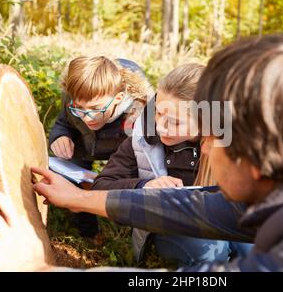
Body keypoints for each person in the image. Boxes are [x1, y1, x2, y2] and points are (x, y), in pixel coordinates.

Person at [0, 35, 283, 272]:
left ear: (255, 156)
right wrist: (78, 198)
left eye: (216, 136)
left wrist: (35, 268)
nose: (206, 146)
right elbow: (201, 205)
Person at [92, 63, 252, 266]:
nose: (161, 127)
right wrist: (145, 186)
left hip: (225, 219)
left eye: (175, 122)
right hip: (168, 226)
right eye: (158, 113)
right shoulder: (143, 137)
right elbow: (101, 185)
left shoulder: (232, 139)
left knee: (259, 246)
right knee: (212, 251)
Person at [48, 56, 154, 238]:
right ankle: (88, 234)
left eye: (96, 109)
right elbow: (63, 122)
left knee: (126, 186)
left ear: (118, 99)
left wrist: (111, 178)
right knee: (75, 184)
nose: (87, 117)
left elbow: (141, 160)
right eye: (79, 108)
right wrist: (60, 136)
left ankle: (129, 234)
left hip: (122, 152)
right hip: (82, 147)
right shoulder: (73, 97)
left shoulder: (138, 115)